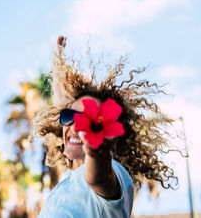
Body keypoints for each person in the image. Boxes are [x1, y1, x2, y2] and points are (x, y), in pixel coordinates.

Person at [35, 36, 178, 218]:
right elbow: (64, 105)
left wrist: (96, 152)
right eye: (69, 117)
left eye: (88, 118)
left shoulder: (114, 173)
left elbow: (98, 178)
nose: (76, 125)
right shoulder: (64, 186)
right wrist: (58, 72)